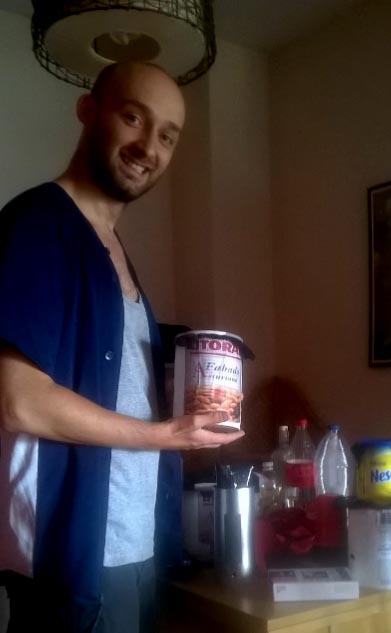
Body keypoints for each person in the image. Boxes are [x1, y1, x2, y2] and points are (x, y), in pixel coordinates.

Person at [0, 62, 244, 633]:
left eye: (167, 136)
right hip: (74, 552)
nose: (148, 148)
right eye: (133, 117)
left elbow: (110, 386)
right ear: (89, 111)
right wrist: (166, 435)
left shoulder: (112, 246)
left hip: (133, 543)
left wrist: (185, 403)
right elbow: (19, 401)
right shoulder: (39, 224)